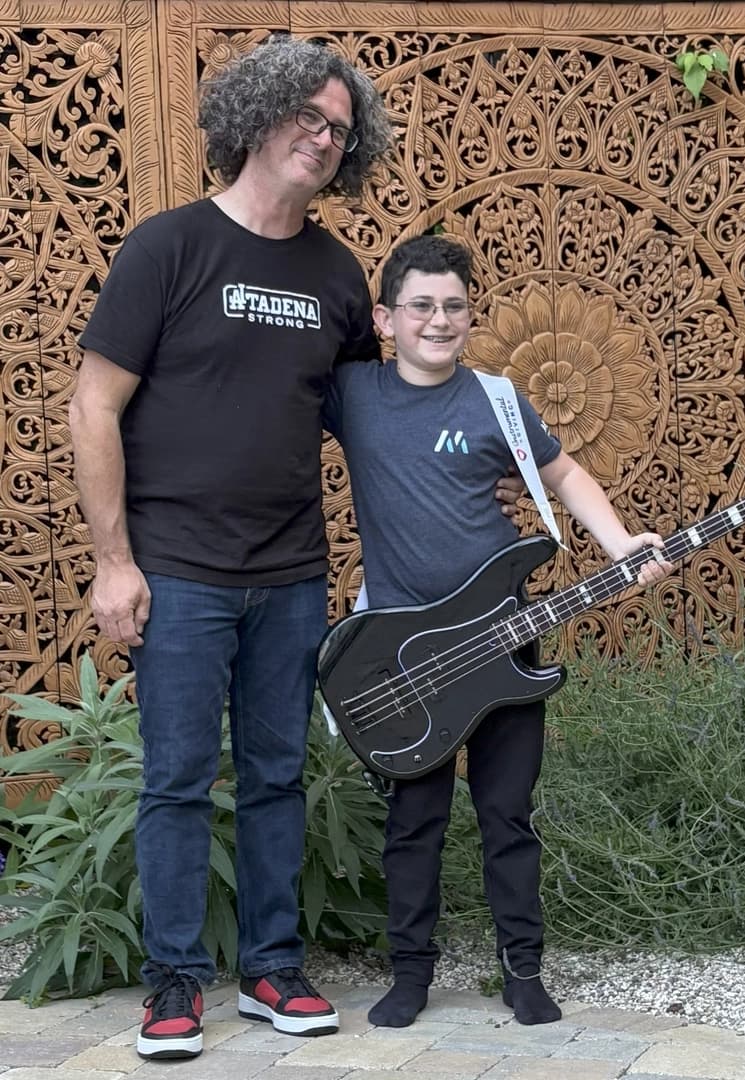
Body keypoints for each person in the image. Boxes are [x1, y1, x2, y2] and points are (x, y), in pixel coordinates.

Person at [68, 36, 522, 1062]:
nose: (324, 139)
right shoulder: (168, 247)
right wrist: (113, 560)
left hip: (289, 572)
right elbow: (93, 405)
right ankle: (175, 987)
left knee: (276, 773)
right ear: (259, 115)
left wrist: (479, 462)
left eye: (340, 130)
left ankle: (273, 968)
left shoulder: (336, 271)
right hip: (177, 569)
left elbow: (381, 409)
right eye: (309, 118)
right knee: (179, 779)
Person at [323, 235, 672, 1029]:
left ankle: (523, 971)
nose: (438, 322)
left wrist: (622, 546)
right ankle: (409, 974)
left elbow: (564, 476)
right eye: (421, 307)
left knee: (508, 815)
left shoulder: (498, 401)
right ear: (386, 319)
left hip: (505, 640)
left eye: (453, 306)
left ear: (469, 314)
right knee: (415, 822)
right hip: (404, 658)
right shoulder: (353, 394)